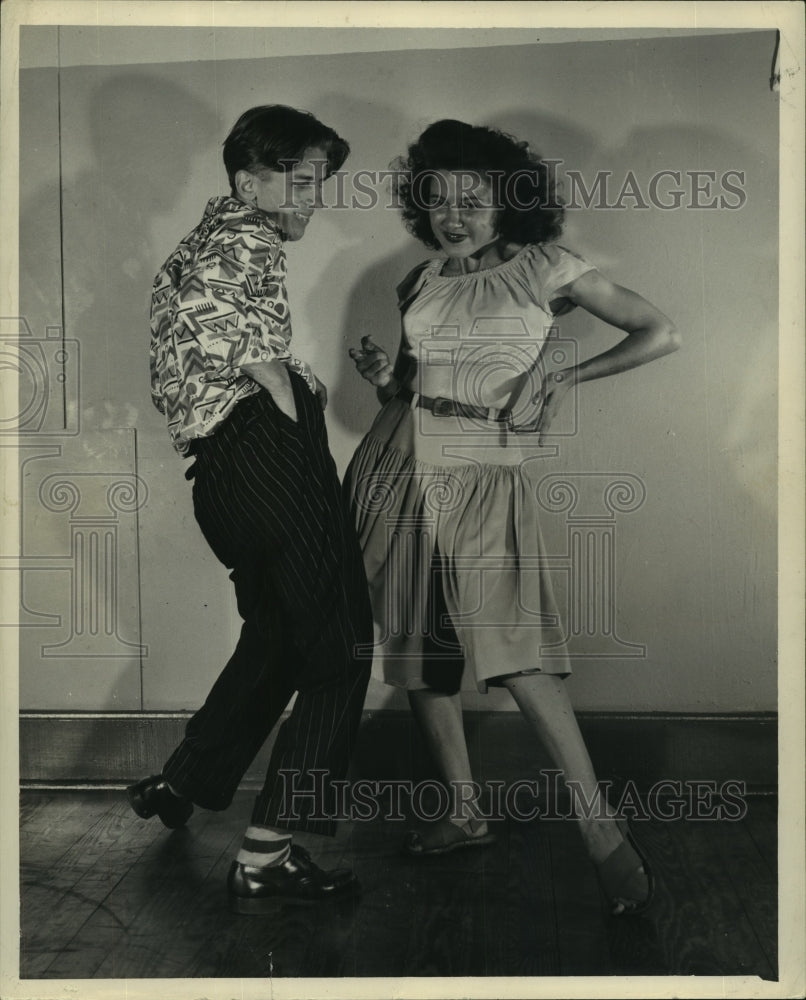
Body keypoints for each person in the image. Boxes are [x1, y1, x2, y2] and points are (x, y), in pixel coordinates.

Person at [346, 118, 679, 916]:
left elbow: (660, 331)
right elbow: (408, 384)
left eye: (472, 199)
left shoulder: (546, 269)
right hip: (397, 459)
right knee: (418, 645)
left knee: (514, 648)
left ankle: (600, 829)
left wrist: (564, 377)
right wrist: (381, 376)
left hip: (478, 464)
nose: (451, 216)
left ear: (510, 203)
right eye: (437, 200)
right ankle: (463, 813)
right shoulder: (421, 280)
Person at [132, 105, 373, 914]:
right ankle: (268, 855)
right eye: (299, 180)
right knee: (338, 647)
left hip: (223, 480)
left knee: (278, 635)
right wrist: (287, 400)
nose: (311, 198)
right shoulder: (247, 236)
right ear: (249, 181)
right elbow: (237, 334)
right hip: (266, 459)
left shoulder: (203, 237)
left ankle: (183, 782)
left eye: (318, 183)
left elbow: (199, 316)